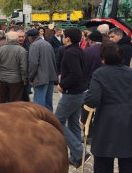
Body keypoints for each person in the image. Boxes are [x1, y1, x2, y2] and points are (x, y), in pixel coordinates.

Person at [80, 43, 132, 173]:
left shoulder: (100, 73)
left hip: (106, 119)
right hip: (129, 119)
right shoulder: (130, 73)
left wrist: (85, 118)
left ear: (103, 58)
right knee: (128, 160)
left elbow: (92, 99)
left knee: (103, 160)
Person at [55, 27, 90, 170]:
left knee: (57, 122)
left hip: (73, 93)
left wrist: (62, 85)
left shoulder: (70, 53)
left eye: (64, 36)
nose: (63, 38)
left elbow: (76, 74)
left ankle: (81, 153)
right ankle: (76, 158)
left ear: (67, 38)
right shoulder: (81, 51)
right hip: (81, 92)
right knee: (74, 124)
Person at [27, 29, 58, 112]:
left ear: (30, 37)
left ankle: (40, 122)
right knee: (48, 103)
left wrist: (30, 77)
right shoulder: (47, 44)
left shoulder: (34, 45)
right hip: (50, 77)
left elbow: (33, 63)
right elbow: (54, 60)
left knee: (39, 104)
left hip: (40, 78)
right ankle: (49, 121)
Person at [0, 31, 27, 103]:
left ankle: (0, 113)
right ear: (17, 39)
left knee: (1, 100)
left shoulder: (0, 50)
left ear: (6, 39)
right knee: (15, 102)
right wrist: (24, 79)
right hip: (16, 79)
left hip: (2, 78)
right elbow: (24, 67)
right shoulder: (21, 50)